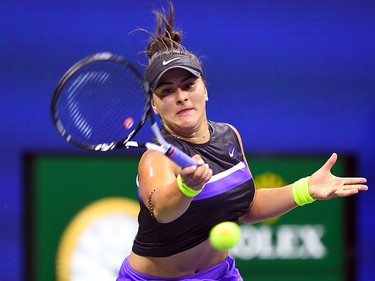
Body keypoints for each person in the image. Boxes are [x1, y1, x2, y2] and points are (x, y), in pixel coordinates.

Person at [116, 3, 368, 281]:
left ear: (205, 90)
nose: (181, 96)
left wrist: (306, 188)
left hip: (220, 274)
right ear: (154, 103)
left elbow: (246, 207)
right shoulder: (156, 158)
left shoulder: (229, 135)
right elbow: (162, 210)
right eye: (167, 91)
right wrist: (185, 187)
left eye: (189, 85)